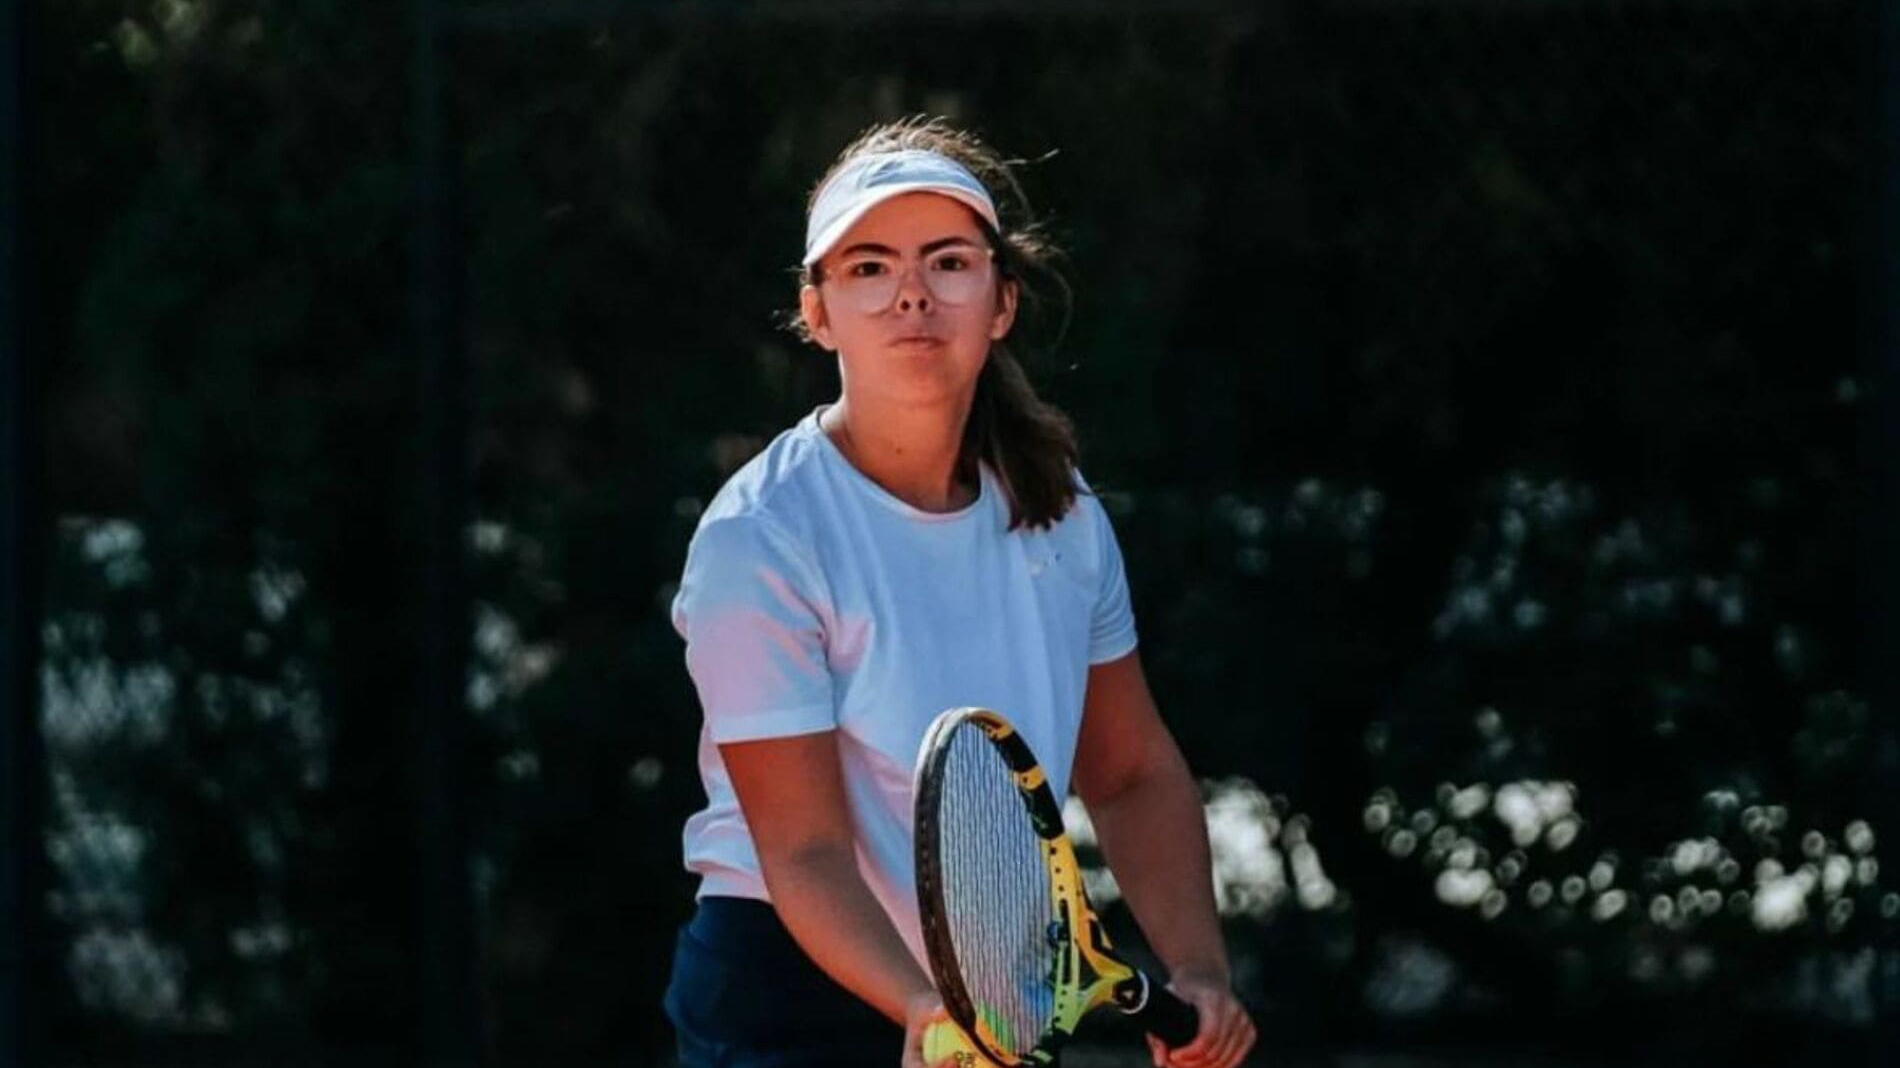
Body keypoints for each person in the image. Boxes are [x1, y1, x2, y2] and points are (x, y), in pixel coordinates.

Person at [662, 116, 1257, 1068]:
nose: (910, 297)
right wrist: (923, 1014)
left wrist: (1199, 969)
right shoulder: (760, 540)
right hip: (789, 997)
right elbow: (805, 849)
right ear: (817, 313)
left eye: (947, 262)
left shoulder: (1063, 518)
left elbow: (1132, 770)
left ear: (1001, 301)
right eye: (867, 268)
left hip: (994, 995)